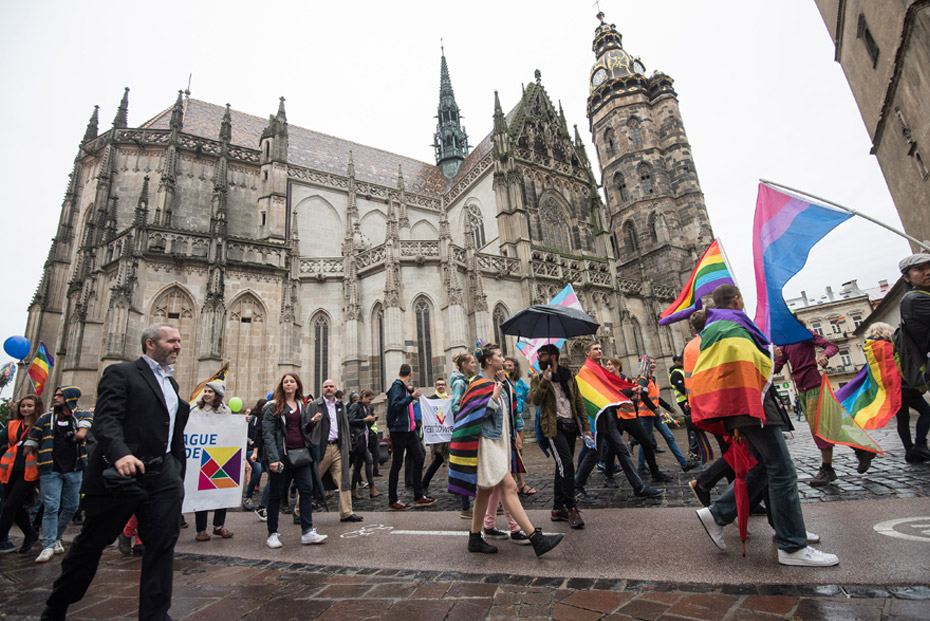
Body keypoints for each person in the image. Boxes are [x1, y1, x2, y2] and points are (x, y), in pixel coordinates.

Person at [41, 323, 192, 620]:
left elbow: (171, 432)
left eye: (179, 341)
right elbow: (106, 420)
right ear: (150, 343)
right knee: (91, 543)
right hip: (122, 475)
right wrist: (121, 453)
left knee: (161, 547)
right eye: (171, 340)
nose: (177, 346)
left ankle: (156, 615)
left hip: (162, 475)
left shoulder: (171, 385)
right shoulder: (121, 373)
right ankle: (57, 604)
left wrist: (175, 468)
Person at [692, 285, 838, 567]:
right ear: (736, 300)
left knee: (765, 467)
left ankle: (723, 514)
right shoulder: (730, 325)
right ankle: (792, 546)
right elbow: (747, 363)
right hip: (751, 403)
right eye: (742, 299)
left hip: (748, 403)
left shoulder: (722, 325)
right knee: (782, 471)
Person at [451, 343, 564, 557]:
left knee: (485, 490)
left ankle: (475, 538)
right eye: (499, 356)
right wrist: (493, 399)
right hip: (487, 443)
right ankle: (535, 538)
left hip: (500, 442)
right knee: (510, 486)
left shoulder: (496, 381)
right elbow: (469, 415)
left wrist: (503, 384)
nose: (503, 359)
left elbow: (513, 406)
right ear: (488, 361)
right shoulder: (477, 383)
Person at [772, 318, 864, 485]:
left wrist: (824, 355)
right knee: (832, 424)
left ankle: (827, 468)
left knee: (819, 428)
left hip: (815, 385)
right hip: (802, 390)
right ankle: (861, 450)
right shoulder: (785, 344)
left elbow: (832, 346)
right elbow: (778, 366)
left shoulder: (805, 334)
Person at [24, 386, 93, 563]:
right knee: (51, 507)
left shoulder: (82, 416)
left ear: (69, 397)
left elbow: (85, 427)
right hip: (50, 469)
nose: (55, 397)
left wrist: (79, 434)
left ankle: (56, 537)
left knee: (71, 506)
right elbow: (34, 436)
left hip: (74, 468)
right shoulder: (47, 418)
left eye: (59, 395)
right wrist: (28, 448)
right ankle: (47, 545)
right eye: (54, 394)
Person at [527, 343, 590, 530]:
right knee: (567, 465)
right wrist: (545, 380)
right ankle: (571, 507)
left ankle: (557, 508)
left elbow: (577, 400)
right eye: (538, 355)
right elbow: (536, 400)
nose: (539, 358)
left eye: (543, 355)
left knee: (562, 466)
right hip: (553, 428)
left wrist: (585, 425)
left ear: (553, 356)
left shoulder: (568, 375)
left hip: (570, 425)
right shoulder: (538, 377)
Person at [261, 373, 327, 549]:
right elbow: (268, 435)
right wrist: (274, 459)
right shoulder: (272, 407)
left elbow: (302, 430)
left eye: (292, 381)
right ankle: (272, 533)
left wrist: (312, 422)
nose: (289, 384)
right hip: (282, 458)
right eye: (285, 382)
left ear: (297, 385)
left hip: (300, 455)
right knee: (276, 495)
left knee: (306, 490)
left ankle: (307, 531)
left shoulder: (300, 405)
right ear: (282, 386)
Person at [307, 379, 362, 522]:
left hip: (338, 447)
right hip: (321, 448)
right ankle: (299, 511)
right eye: (326, 387)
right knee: (312, 479)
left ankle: (346, 512)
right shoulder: (314, 405)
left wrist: (347, 447)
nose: (328, 389)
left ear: (335, 388)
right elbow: (306, 427)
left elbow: (345, 426)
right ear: (322, 389)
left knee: (343, 478)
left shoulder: (340, 406)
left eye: (331, 386)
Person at [894, 253, 930, 460]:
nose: (928, 272)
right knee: (921, 413)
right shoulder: (915, 299)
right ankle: (915, 448)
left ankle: (913, 449)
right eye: (920, 269)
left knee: (904, 418)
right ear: (907, 277)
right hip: (903, 384)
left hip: (900, 385)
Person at [189, 381, 234, 542]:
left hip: (220, 456)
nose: (206, 394)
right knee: (202, 495)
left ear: (217, 395)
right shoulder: (196, 410)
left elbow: (231, 430)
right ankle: (201, 529)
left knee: (222, 492)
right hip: (202, 457)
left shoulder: (225, 410)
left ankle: (219, 526)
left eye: (210, 392)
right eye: (205, 391)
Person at [386, 364, 435, 510]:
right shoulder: (397, 387)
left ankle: (418, 496)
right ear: (410, 374)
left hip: (409, 430)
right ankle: (392, 500)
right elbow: (395, 406)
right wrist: (412, 397)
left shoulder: (403, 388)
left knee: (419, 457)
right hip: (399, 430)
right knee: (397, 464)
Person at [635, 355, 695, 473]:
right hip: (646, 415)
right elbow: (643, 397)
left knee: (669, 437)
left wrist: (669, 408)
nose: (653, 364)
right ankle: (641, 466)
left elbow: (657, 398)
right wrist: (657, 412)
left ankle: (683, 463)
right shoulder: (643, 379)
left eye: (654, 362)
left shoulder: (653, 379)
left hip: (655, 415)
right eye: (650, 363)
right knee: (645, 442)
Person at [0, 395, 43, 554]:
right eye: (23, 406)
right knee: (15, 506)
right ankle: (30, 533)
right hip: (9, 469)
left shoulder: (41, 425)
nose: (25, 409)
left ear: (36, 407)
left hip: (29, 472)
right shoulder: (12, 425)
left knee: (9, 506)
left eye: (29, 406)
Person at [443, 352, 476, 518]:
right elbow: (455, 406)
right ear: (463, 364)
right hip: (465, 428)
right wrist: (471, 412)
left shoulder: (465, 381)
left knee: (469, 464)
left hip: (468, 427)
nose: (474, 365)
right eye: (471, 362)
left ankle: (472, 506)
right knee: (466, 465)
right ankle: (465, 508)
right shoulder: (459, 382)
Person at [504, 357, 535, 497]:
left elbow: (529, 399)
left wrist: (533, 382)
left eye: (510, 365)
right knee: (516, 450)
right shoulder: (503, 382)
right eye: (505, 365)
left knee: (519, 453)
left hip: (519, 419)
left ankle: (516, 482)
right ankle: (518, 483)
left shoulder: (520, 383)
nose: (507, 367)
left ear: (515, 367)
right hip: (508, 420)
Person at [348, 390, 380, 499]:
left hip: (363, 439)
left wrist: (371, 420)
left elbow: (364, 423)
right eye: (369, 399)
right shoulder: (355, 406)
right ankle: (372, 488)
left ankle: (353, 489)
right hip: (358, 439)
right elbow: (351, 420)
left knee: (358, 466)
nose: (370, 402)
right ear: (364, 396)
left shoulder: (366, 408)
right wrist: (365, 419)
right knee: (369, 460)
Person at [244, 398, 267, 511]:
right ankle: (247, 497)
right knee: (257, 470)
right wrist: (250, 441)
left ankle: (266, 502)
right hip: (251, 449)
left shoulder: (266, 418)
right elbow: (243, 431)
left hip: (262, 451)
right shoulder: (252, 417)